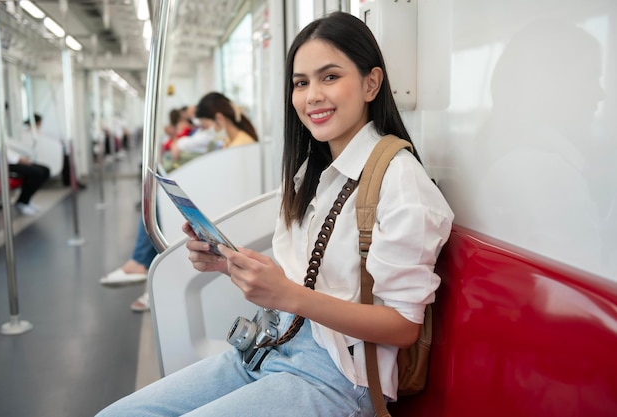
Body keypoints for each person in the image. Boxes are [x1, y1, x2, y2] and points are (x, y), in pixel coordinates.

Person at [96, 11, 453, 416]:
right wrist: (229, 264)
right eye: (301, 83)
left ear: (371, 83)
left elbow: (404, 327)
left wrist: (290, 296)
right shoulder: (311, 175)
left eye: (330, 77)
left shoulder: (400, 181)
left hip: (338, 376)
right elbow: (300, 282)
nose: (312, 95)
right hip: (266, 347)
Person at [100, 92, 258, 312]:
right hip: (221, 199)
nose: (206, 132)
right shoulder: (232, 141)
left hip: (228, 208)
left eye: (206, 126)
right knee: (161, 208)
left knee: (162, 210)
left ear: (219, 120)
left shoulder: (241, 146)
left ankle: (142, 266)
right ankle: (144, 268)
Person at [0, 134, 51, 217]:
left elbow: (3, 149)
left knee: (45, 170)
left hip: (6, 161)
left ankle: (25, 200)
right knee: (36, 173)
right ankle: (22, 202)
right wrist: (18, 159)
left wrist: (19, 158)